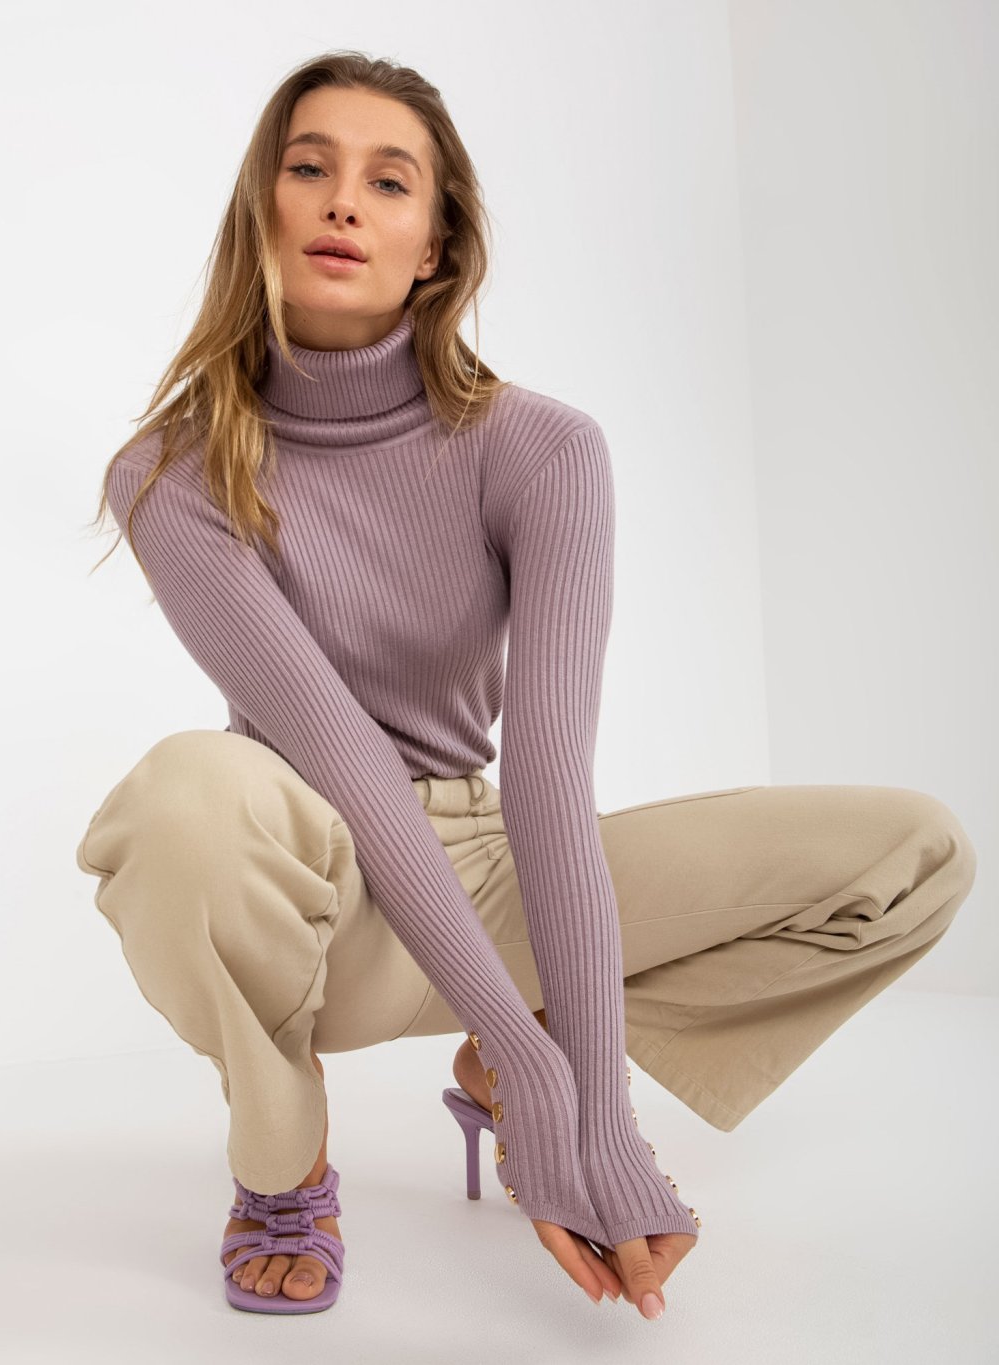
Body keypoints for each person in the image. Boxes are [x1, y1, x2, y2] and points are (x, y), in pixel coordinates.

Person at [75, 51, 977, 1321]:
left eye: (389, 182)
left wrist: (582, 1099)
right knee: (188, 796)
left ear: (435, 246)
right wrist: (546, 1073)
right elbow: (339, 753)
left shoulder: (538, 448)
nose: (342, 202)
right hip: (308, 888)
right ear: (260, 207)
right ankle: (283, 1167)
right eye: (308, 166)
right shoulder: (170, 472)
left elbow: (548, 775)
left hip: (485, 861)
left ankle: (520, 1058)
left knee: (913, 854)